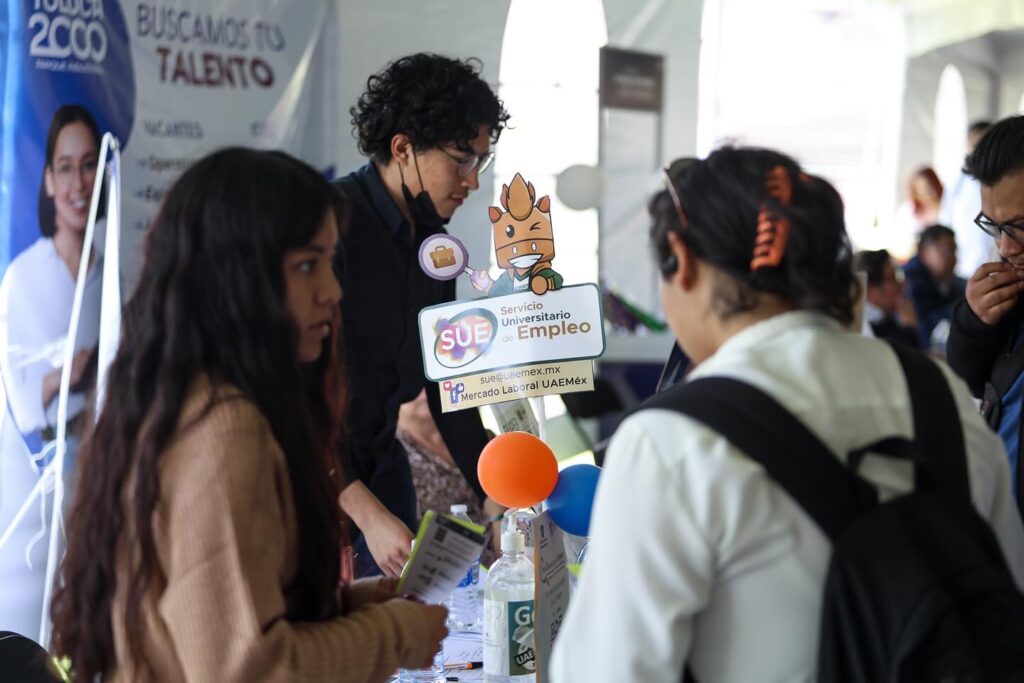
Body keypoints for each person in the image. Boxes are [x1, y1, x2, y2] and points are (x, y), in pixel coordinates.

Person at [550, 147, 1024, 682]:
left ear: (679, 258)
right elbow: (1006, 591)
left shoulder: (669, 441)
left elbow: (607, 671)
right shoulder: (938, 396)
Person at [50, 148, 448, 682]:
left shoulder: (190, 399)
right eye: (308, 266)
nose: (331, 292)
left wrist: (352, 608)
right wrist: (397, 635)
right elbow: (247, 670)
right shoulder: (225, 429)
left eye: (330, 262)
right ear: (234, 277)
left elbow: (217, 622)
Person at [334, 53, 509, 577]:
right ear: (403, 148)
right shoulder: (332, 225)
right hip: (313, 484)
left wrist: (493, 495)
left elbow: (447, 389)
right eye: (461, 159)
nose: (472, 181)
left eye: (479, 160)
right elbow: (288, 397)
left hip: (383, 478)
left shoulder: (435, 250)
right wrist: (364, 512)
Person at [0, 104, 102, 444]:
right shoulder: (22, 276)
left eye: (89, 165)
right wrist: (63, 377)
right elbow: (18, 406)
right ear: (49, 180)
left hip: (114, 445)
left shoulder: (114, 271)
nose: (79, 184)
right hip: (50, 459)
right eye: (65, 168)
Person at [947, 115, 1024, 512]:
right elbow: (970, 381)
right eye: (993, 226)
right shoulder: (1011, 283)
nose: (1007, 247)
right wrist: (975, 321)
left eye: (1020, 226)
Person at [941, 120, 994, 279]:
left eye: (983, 144)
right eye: (974, 144)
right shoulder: (956, 184)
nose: (978, 150)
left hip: (996, 266)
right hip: (963, 270)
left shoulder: (1003, 181)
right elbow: (946, 223)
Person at [903, 224, 967, 351]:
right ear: (924, 252)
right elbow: (923, 326)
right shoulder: (908, 284)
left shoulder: (952, 281)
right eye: (946, 251)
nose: (953, 258)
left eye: (955, 251)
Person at [852, 249, 919, 348]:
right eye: (892, 278)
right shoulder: (861, 330)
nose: (902, 285)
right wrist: (909, 329)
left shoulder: (887, 319)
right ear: (870, 290)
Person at [891, 166, 943, 259]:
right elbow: (899, 243)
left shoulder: (948, 206)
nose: (929, 192)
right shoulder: (907, 211)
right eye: (923, 188)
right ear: (915, 191)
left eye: (931, 186)